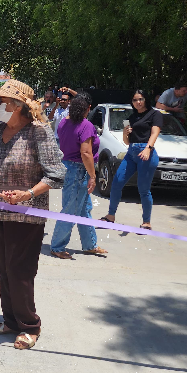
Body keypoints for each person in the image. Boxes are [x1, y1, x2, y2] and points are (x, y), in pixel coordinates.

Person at [0, 79, 65, 349]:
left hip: (27, 214)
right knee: (4, 268)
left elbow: (56, 175)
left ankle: (29, 326)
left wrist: (28, 194)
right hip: (0, 213)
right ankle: (11, 320)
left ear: (17, 106)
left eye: (2, 102)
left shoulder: (38, 132)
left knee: (20, 271)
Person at [50, 93, 108, 259]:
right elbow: (86, 153)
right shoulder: (86, 125)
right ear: (88, 108)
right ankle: (57, 246)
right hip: (78, 170)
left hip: (68, 166)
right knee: (70, 210)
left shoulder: (63, 123)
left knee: (83, 209)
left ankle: (90, 244)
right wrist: (92, 175)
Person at [102, 89, 162, 230]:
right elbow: (127, 142)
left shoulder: (155, 114)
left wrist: (148, 148)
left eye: (140, 99)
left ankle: (146, 222)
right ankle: (110, 216)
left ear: (145, 99)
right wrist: (125, 133)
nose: (138, 102)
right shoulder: (131, 117)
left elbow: (155, 133)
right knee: (116, 182)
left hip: (146, 154)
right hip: (131, 152)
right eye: (135, 100)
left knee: (143, 189)